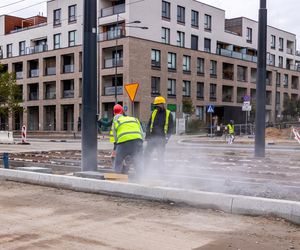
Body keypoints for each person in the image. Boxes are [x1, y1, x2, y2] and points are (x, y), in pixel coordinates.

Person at [111, 104, 144, 174]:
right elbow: (141, 133)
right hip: (138, 141)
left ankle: (118, 177)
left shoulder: (116, 121)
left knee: (118, 161)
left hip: (123, 143)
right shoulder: (134, 119)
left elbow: (116, 138)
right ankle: (142, 178)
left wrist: (117, 148)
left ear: (114, 113)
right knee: (138, 161)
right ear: (122, 112)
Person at [144, 96, 173, 169]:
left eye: (158, 105)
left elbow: (171, 128)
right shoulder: (154, 113)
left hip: (161, 139)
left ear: (163, 104)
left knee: (160, 155)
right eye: (156, 105)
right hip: (152, 138)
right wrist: (147, 136)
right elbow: (149, 124)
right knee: (147, 153)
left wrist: (167, 138)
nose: (157, 107)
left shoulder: (168, 114)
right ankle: (145, 168)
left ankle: (161, 170)